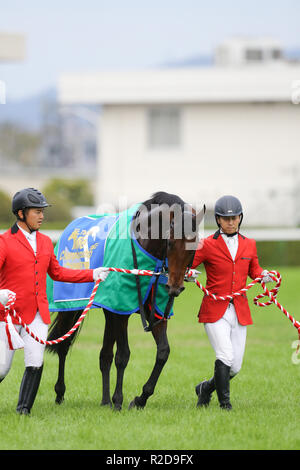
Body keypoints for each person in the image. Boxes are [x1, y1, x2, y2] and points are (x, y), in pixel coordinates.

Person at [0, 188, 108, 415]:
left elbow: (59, 273)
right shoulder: (4, 242)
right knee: (2, 367)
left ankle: (23, 411)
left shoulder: (46, 242)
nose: (41, 216)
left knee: (35, 361)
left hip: (38, 313)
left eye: (42, 212)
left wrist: (92, 274)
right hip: (8, 316)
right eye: (36, 212)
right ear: (21, 214)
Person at [192, 195, 272, 410]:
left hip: (239, 309)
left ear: (240, 218)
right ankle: (225, 405)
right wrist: (188, 273)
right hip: (214, 309)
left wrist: (262, 274)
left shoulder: (249, 244)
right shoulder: (207, 244)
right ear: (218, 220)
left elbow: (254, 270)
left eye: (234, 218)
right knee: (225, 355)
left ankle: (206, 388)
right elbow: (188, 264)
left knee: (235, 367)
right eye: (225, 218)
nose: (230, 222)